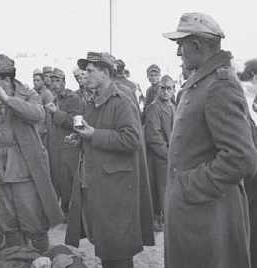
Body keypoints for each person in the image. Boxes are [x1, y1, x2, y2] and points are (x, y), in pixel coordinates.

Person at [163, 12, 257, 268]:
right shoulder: (203, 83)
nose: (178, 53)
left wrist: (188, 185)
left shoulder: (220, 86)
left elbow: (241, 159)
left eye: (180, 45)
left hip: (206, 216)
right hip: (195, 215)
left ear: (196, 45)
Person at [65, 52, 154, 268]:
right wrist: (79, 138)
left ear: (105, 73)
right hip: (99, 183)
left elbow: (133, 139)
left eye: (90, 71)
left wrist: (93, 134)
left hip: (116, 188)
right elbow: (98, 132)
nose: (85, 75)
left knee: (118, 247)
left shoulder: (121, 101)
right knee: (106, 244)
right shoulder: (94, 100)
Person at [0, 54, 63, 251]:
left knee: (34, 222)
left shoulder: (28, 95)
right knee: (8, 224)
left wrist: (7, 99)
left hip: (25, 169)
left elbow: (37, 114)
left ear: (6, 79)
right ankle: (17, 260)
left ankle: (42, 260)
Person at [46, 68, 82, 217]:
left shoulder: (73, 99)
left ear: (64, 82)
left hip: (69, 147)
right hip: (53, 147)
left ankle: (75, 212)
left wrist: (56, 112)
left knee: (70, 180)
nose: (54, 84)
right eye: (52, 81)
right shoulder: (49, 99)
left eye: (57, 81)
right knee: (56, 178)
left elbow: (77, 123)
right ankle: (63, 210)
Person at [144, 75, 176, 232]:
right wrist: (167, 153)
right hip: (159, 156)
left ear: (173, 90)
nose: (165, 91)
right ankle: (157, 219)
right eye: (162, 88)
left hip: (170, 155)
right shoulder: (154, 107)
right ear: (158, 89)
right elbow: (152, 135)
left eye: (169, 88)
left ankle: (163, 217)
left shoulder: (173, 106)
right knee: (158, 187)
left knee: (166, 188)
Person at [32, 69, 54, 147]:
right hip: (35, 129)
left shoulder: (47, 94)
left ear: (43, 81)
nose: (35, 83)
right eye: (34, 80)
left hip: (43, 131)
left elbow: (49, 115)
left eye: (38, 80)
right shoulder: (32, 93)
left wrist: (47, 131)